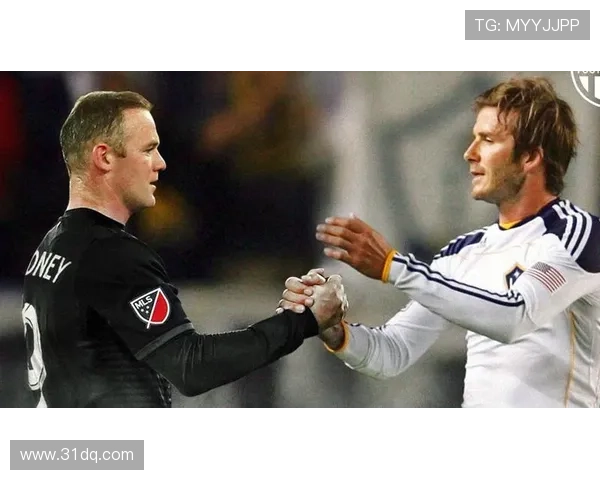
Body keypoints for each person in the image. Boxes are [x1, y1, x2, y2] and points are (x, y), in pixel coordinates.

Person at [279, 76, 600, 407]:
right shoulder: (465, 252)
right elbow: (392, 352)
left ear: (530, 157)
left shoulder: (578, 236)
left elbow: (513, 317)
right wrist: (333, 328)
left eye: (487, 141)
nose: (470, 154)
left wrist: (392, 267)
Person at [20, 90, 348, 408]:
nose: (160, 163)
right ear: (104, 157)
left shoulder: (51, 247)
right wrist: (304, 321)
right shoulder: (113, 255)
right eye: (147, 150)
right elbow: (191, 367)